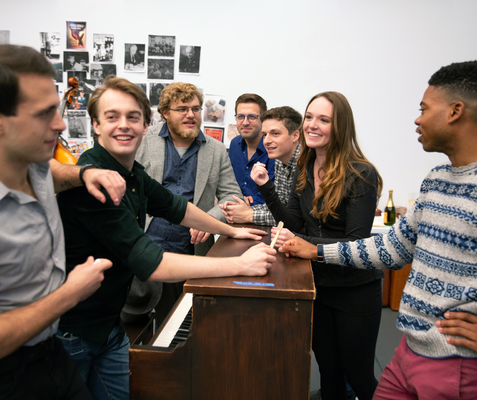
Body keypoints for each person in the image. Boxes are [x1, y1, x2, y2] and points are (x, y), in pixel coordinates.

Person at [281, 61, 477, 400]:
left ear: (455, 111)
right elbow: (390, 248)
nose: (417, 118)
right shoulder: (437, 178)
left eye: (424, 108)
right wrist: (314, 249)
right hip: (411, 351)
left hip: (468, 366)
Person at [0, 44, 128, 400]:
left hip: (49, 357)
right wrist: (68, 295)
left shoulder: (31, 161)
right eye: (44, 113)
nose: (61, 123)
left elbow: (54, 172)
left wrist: (85, 173)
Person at [55, 76, 277, 400]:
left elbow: (176, 206)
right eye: (112, 117)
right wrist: (239, 264)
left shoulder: (131, 174)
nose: (124, 126)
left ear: (146, 124)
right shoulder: (96, 181)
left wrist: (229, 230)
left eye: (133, 117)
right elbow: (150, 262)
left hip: (108, 328)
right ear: (96, 125)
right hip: (75, 333)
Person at [252, 92, 384, 400]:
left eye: (323, 119)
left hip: (355, 290)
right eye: (309, 116)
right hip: (319, 286)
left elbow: (356, 244)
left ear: (340, 126)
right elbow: (295, 223)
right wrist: (266, 187)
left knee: (359, 375)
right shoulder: (305, 167)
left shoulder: (361, 173)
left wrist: (304, 244)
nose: (312, 125)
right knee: (329, 369)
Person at [129, 82, 243, 322]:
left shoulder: (217, 150)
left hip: (189, 255)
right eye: (182, 109)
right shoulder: (142, 140)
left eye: (196, 108)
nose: (191, 115)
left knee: (176, 325)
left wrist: (210, 219)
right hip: (141, 249)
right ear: (165, 113)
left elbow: (233, 196)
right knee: (132, 325)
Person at [220, 106, 302, 226]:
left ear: (295, 136)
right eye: (264, 135)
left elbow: (298, 221)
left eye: (275, 133)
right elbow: (280, 208)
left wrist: (249, 215)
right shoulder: (280, 161)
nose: (267, 141)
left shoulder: (305, 164)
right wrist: (244, 211)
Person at [228, 93, 274, 205]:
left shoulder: (273, 147)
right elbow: (228, 182)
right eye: (240, 117)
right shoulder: (234, 144)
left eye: (252, 117)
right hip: (235, 209)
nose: (245, 122)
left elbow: (274, 191)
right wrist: (238, 199)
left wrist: (247, 205)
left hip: (265, 214)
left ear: (263, 119)